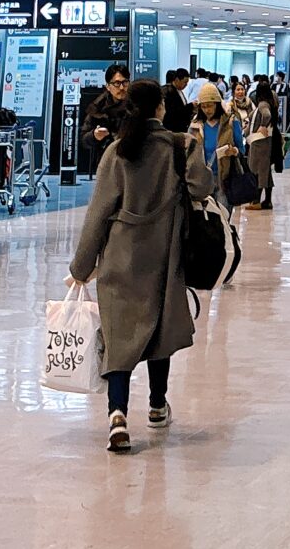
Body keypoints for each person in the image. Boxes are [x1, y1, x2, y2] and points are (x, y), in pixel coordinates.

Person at [69, 80, 213, 453]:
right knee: (158, 332)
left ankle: (117, 415)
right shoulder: (183, 147)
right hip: (164, 256)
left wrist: (81, 266)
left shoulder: (117, 151)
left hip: (120, 256)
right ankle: (156, 405)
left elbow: (98, 213)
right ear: (161, 109)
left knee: (120, 337)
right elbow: (202, 187)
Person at [82, 64, 132, 175]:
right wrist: (94, 136)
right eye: (117, 83)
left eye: (125, 82)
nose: (122, 88)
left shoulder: (135, 105)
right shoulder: (97, 108)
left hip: (133, 163)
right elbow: (84, 139)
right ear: (108, 86)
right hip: (107, 163)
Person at [244, 79, 281, 210]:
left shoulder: (262, 104)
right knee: (265, 171)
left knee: (255, 170)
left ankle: (256, 200)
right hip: (266, 142)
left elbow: (266, 115)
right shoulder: (272, 102)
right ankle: (267, 200)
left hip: (259, 141)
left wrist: (262, 126)